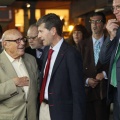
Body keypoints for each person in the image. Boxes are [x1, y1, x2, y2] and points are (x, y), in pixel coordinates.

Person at [36, 13, 86, 120]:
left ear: (53, 31)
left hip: (62, 114)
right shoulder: (46, 51)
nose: (39, 36)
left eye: (41, 31)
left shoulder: (71, 54)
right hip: (43, 109)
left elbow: (78, 92)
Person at [0, 29, 39, 120]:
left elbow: (37, 85)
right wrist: (13, 83)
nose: (22, 43)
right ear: (5, 44)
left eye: (23, 39)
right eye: (17, 41)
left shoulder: (31, 60)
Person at [80, 12, 110, 120]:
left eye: (97, 21)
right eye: (92, 21)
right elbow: (76, 69)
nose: (94, 24)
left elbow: (115, 64)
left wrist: (104, 74)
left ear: (104, 24)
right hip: (86, 94)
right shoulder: (82, 45)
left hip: (103, 93)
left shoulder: (110, 43)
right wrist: (87, 80)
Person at [99, 0, 120, 119]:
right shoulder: (116, 31)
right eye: (114, 8)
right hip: (115, 92)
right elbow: (103, 59)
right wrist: (111, 36)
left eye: (118, 7)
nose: (115, 11)